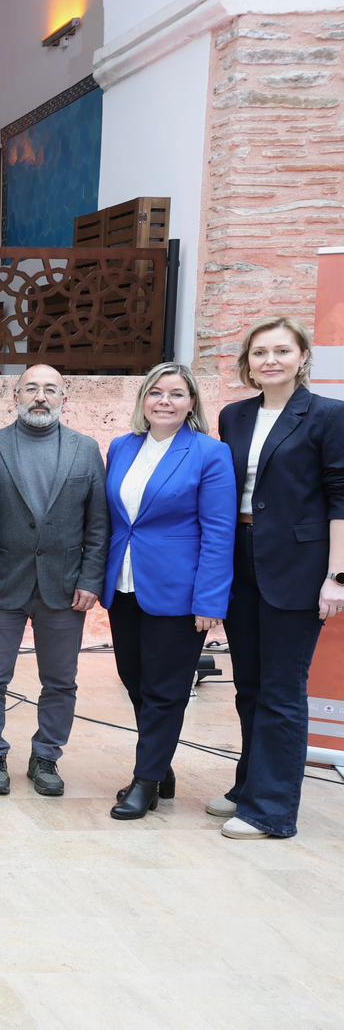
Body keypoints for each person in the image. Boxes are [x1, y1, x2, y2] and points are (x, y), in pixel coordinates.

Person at [214, 318, 344, 838]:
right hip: (241, 559)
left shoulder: (329, 416)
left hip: (299, 566)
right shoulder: (234, 416)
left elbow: (340, 499)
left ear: (302, 357)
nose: (270, 360)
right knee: (248, 685)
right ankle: (248, 787)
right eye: (260, 352)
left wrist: (337, 576)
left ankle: (271, 811)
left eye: (282, 351)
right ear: (248, 362)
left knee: (282, 690)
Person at [103, 362, 236, 821]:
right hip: (125, 585)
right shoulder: (122, 447)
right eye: (156, 392)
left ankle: (145, 782)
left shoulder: (209, 453)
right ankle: (160, 767)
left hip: (179, 592)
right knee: (133, 679)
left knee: (165, 689)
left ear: (192, 402)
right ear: (143, 399)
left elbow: (219, 532)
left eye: (176, 394)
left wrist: (210, 601)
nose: (165, 401)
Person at [0, 365, 108, 796]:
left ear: (65, 397)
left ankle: (46, 756)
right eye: (31, 388)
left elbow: (98, 523)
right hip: (0, 584)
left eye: (50, 389)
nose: (40, 397)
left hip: (64, 586)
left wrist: (91, 579)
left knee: (61, 680)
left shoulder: (86, 450)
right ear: (16, 395)